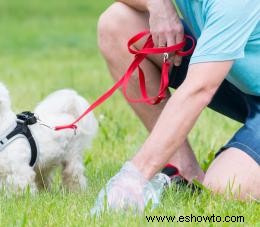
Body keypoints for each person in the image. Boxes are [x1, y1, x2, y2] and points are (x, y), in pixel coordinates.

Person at [95, 0, 260, 209]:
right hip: (236, 71)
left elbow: (199, 89)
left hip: (221, 72)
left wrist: (135, 175)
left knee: (228, 186)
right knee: (117, 23)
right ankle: (185, 172)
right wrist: (156, 4)